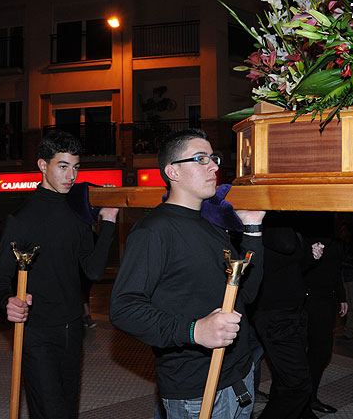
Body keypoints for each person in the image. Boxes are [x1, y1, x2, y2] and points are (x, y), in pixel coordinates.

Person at [110, 128, 265, 419]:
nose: (214, 166)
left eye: (213, 158)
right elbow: (123, 308)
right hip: (196, 389)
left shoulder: (213, 226)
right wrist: (194, 331)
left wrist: (253, 230)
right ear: (172, 172)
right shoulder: (153, 230)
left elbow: (245, 294)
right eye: (201, 158)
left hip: (239, 375)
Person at [0, 130, 119, 419]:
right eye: (62, 166)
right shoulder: (21, 220)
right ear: (42, 166)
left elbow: (94, 271)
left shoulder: (78, 211)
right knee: (50, 411)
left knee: (67, 409)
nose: (70, 175)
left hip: (73, 328)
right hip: (36, 331)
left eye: (75, 167)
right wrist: (7, 300)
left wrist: (108, 222)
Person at [252, 213, 323, 419]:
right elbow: (286, 246)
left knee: (286, 381)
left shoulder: (285, 230)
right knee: (298, 384)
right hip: (276, 316)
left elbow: (290, 266)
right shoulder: (271, 227)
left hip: (294, 313)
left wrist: (311, 256)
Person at [304, 235, 348, 415]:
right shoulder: (306, 238)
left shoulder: (335, 242)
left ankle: (310, 397)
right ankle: (302, 400)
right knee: (303, 354)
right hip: (307, 301)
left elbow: (337, 272)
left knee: (322, 353)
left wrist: (341, 297)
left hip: (327, 302)